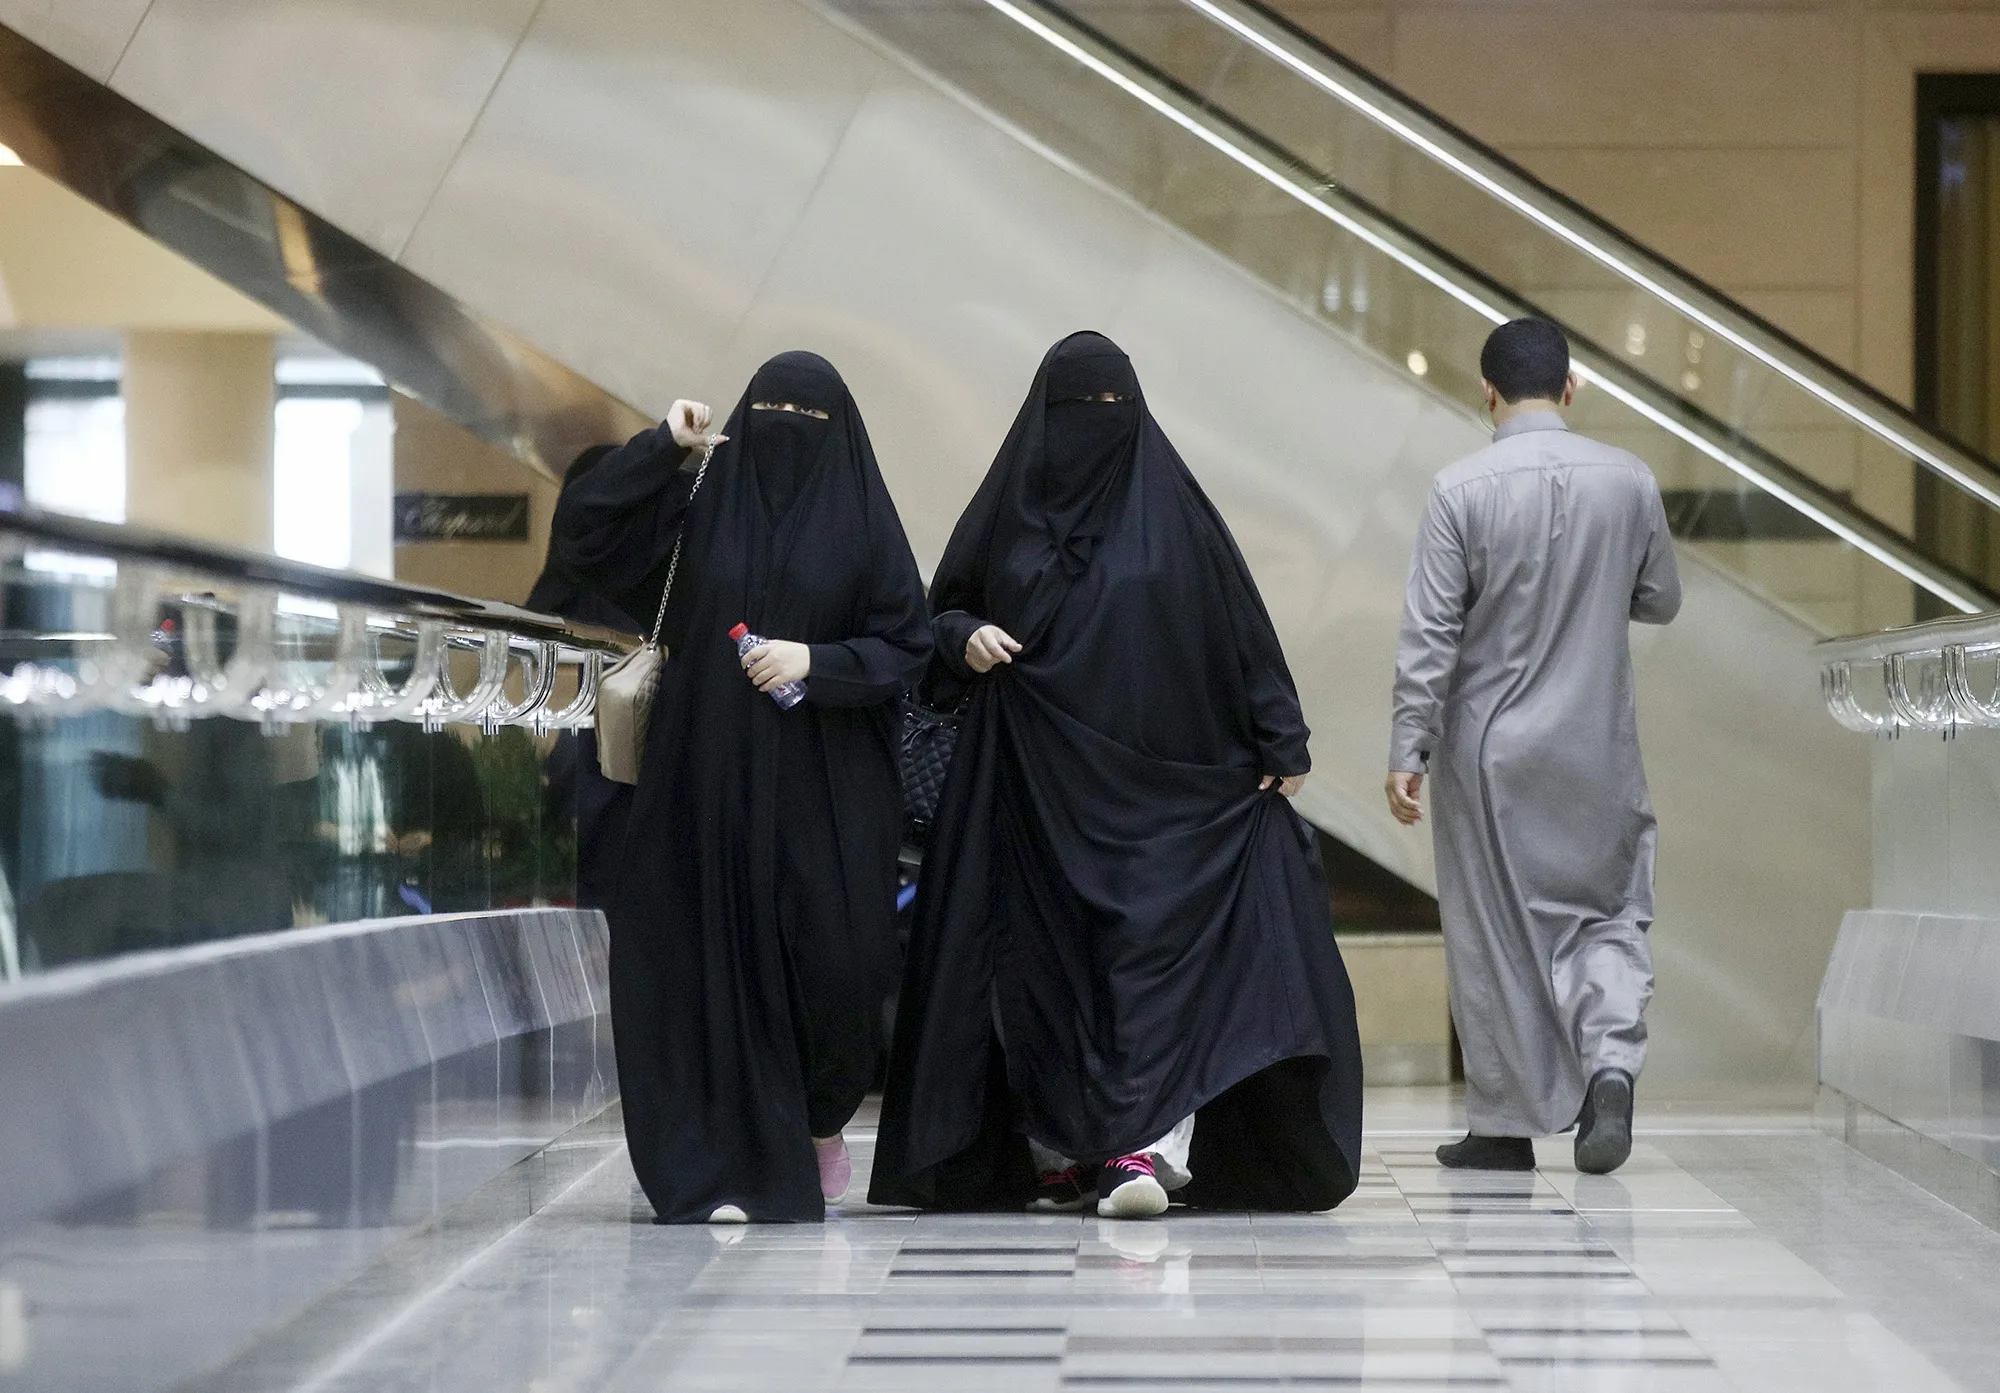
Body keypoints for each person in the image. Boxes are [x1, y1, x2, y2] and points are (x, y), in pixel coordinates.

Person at [871, 331, 1364, 1219]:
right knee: (1045, 971)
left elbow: (1241, 629)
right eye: (1075, 411)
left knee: (1150, 963)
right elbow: (934, 620)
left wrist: (1281, 741)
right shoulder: (1009, 518)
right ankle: (1072, 1151)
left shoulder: (1177, 519)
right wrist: (963, 638)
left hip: (1165, 793)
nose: (1093, 429)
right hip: (1032, 788)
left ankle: (1142, 1147)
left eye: (1110, 410)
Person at [551, 352, 932, 1223]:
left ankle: (814, 1115)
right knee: (700, 970)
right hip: (702, 787)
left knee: (837, 968)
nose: (787, 429)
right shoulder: (698, 516)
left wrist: (818, 661)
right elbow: (584, 537)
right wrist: (663, 448)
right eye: (772, 409)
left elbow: (906, 645)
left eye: (810, 415)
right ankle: (718, 1165)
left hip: (829, 800)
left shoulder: (866, 529)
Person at [1387, 317, 1681, 1176]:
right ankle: (1612, 1066)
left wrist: (1409, 743)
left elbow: (1430, 630)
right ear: (1570, 386)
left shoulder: (1458, 489)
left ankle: (1505, 1124)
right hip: (1597, 745)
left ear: (1487, 391)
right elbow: (1660, 598)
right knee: (1609, 912)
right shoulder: (1629, 481)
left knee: (1496, 932)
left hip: (1489, 752)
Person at [526, 445, 640, 914]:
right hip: (620, 748)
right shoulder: (643, 558)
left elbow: (537, 620)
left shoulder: (578, 562)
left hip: (595, 748)